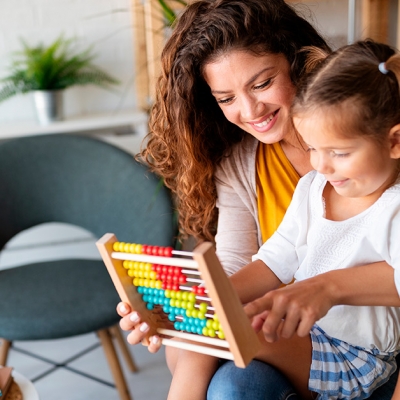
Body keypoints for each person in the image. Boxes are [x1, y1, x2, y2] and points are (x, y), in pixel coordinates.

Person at [116, 1, 400, 398]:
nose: (250, 110)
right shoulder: (306, 185)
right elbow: (267, 261)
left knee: (224, 329)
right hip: (313, 336)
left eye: (262, 83)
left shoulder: (388, 188)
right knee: (205, 330)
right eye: (226, 98)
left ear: (297, 62)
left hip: (363, 355)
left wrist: (325, 287)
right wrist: (177, 308)